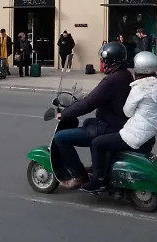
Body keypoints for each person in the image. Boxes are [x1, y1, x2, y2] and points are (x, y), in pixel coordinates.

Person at [81, 51, 157, 193]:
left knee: (97, 143)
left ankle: (99, 180)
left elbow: (127, 112)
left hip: (136, 135)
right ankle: (106, 172)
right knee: (109, 140)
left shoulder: (139, 88)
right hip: (150, 133)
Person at [53, 41, 133, 190]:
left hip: (109, 127)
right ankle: (97, 166)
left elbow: (90, 102)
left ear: (110, 60)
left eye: (103, 59)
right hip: (118, 123)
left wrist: (64, 114)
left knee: (61, 138)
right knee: (88, 123)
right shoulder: (125, 74)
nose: (102, 62)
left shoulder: (112, 80)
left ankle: (78, 176)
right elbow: (96, 97)